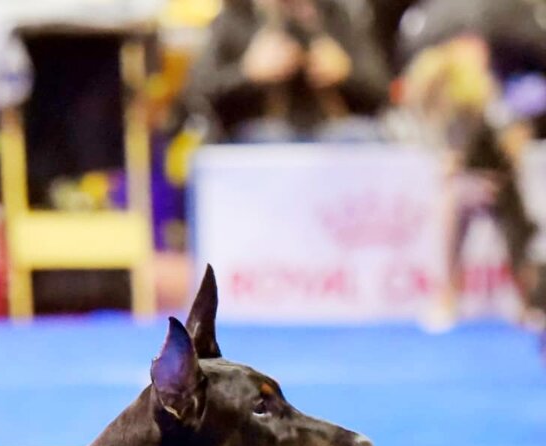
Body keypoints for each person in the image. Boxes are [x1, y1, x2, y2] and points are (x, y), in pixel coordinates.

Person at [398, 35, 545, 329]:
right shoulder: (443, 99)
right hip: (465, 184)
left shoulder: (493, 99)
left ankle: (531, 304)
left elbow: (513, 143)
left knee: (519, 244)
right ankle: (447, 299)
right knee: (449, 228)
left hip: (499, 184)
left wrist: (502, 170)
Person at [185, 0, 390, 142]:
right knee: (268, 137)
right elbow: (197, 94)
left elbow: (382, 92)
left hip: (334, 134)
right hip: (257, 139)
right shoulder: (236, 16)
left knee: (361, 136)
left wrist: (347, 73)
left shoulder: (339, 16)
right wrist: (248, 74)